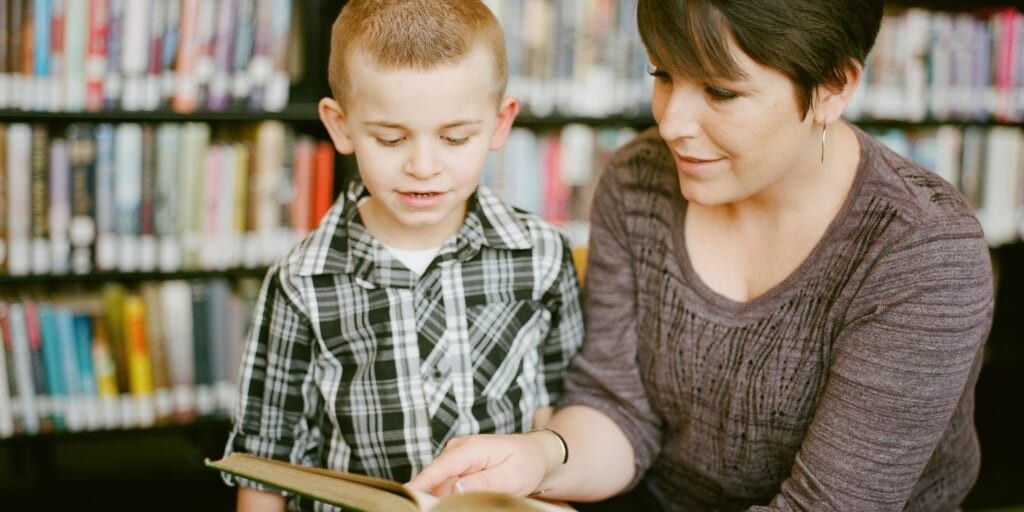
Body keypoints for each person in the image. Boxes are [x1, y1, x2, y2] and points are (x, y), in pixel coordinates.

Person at [409, 0, 995, 510]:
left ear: (833, 87)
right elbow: (618, 409)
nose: (670, 122)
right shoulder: (638, 182)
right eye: (663, 74)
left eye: (720, 91)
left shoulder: (921, 252)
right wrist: (538, 458)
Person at [223, 1, 584, 510]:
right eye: (390, 139)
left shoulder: (542, 254)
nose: (422, 166)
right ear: (341, 125)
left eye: (455, 137)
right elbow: (264, 459)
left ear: (500, 124)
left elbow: (560, 409)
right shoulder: (302, 280)